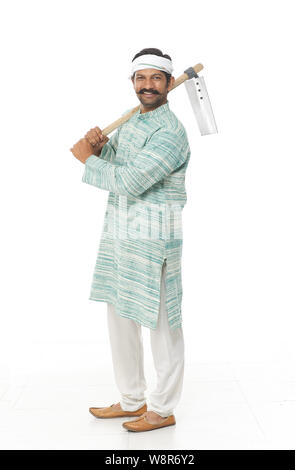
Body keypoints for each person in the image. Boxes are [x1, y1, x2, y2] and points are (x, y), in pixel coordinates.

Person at [70, 48, 191, 432]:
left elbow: (131, 181)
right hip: (122, 233)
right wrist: (103, 147)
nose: (148, 85)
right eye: (141, 78)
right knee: (121, 315)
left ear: (170, 83)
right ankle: (131, 399)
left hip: (154, 235)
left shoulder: (170, 133)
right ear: (133, 83)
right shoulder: (134, 122)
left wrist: (87, 160)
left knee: (161, 323)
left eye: (157, 78)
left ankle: (163, 407)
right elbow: (120, 164)